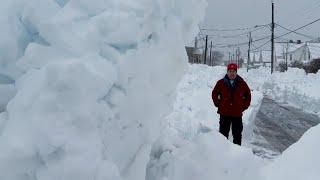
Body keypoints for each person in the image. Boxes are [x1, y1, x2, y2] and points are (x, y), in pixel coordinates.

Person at [211, 63, 251, 145]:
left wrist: (243, 107)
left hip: (237, 114)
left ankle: (236, 154)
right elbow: (214, 93)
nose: (232, 73)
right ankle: (222, 152)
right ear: (227, 72)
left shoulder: (242, 83)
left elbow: (248, 95)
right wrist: (218, 104)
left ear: (236, 72)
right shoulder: (220, 83)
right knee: (223, 135)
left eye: (233, 71)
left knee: (237, 135)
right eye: (230, 71)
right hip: (224, 113)